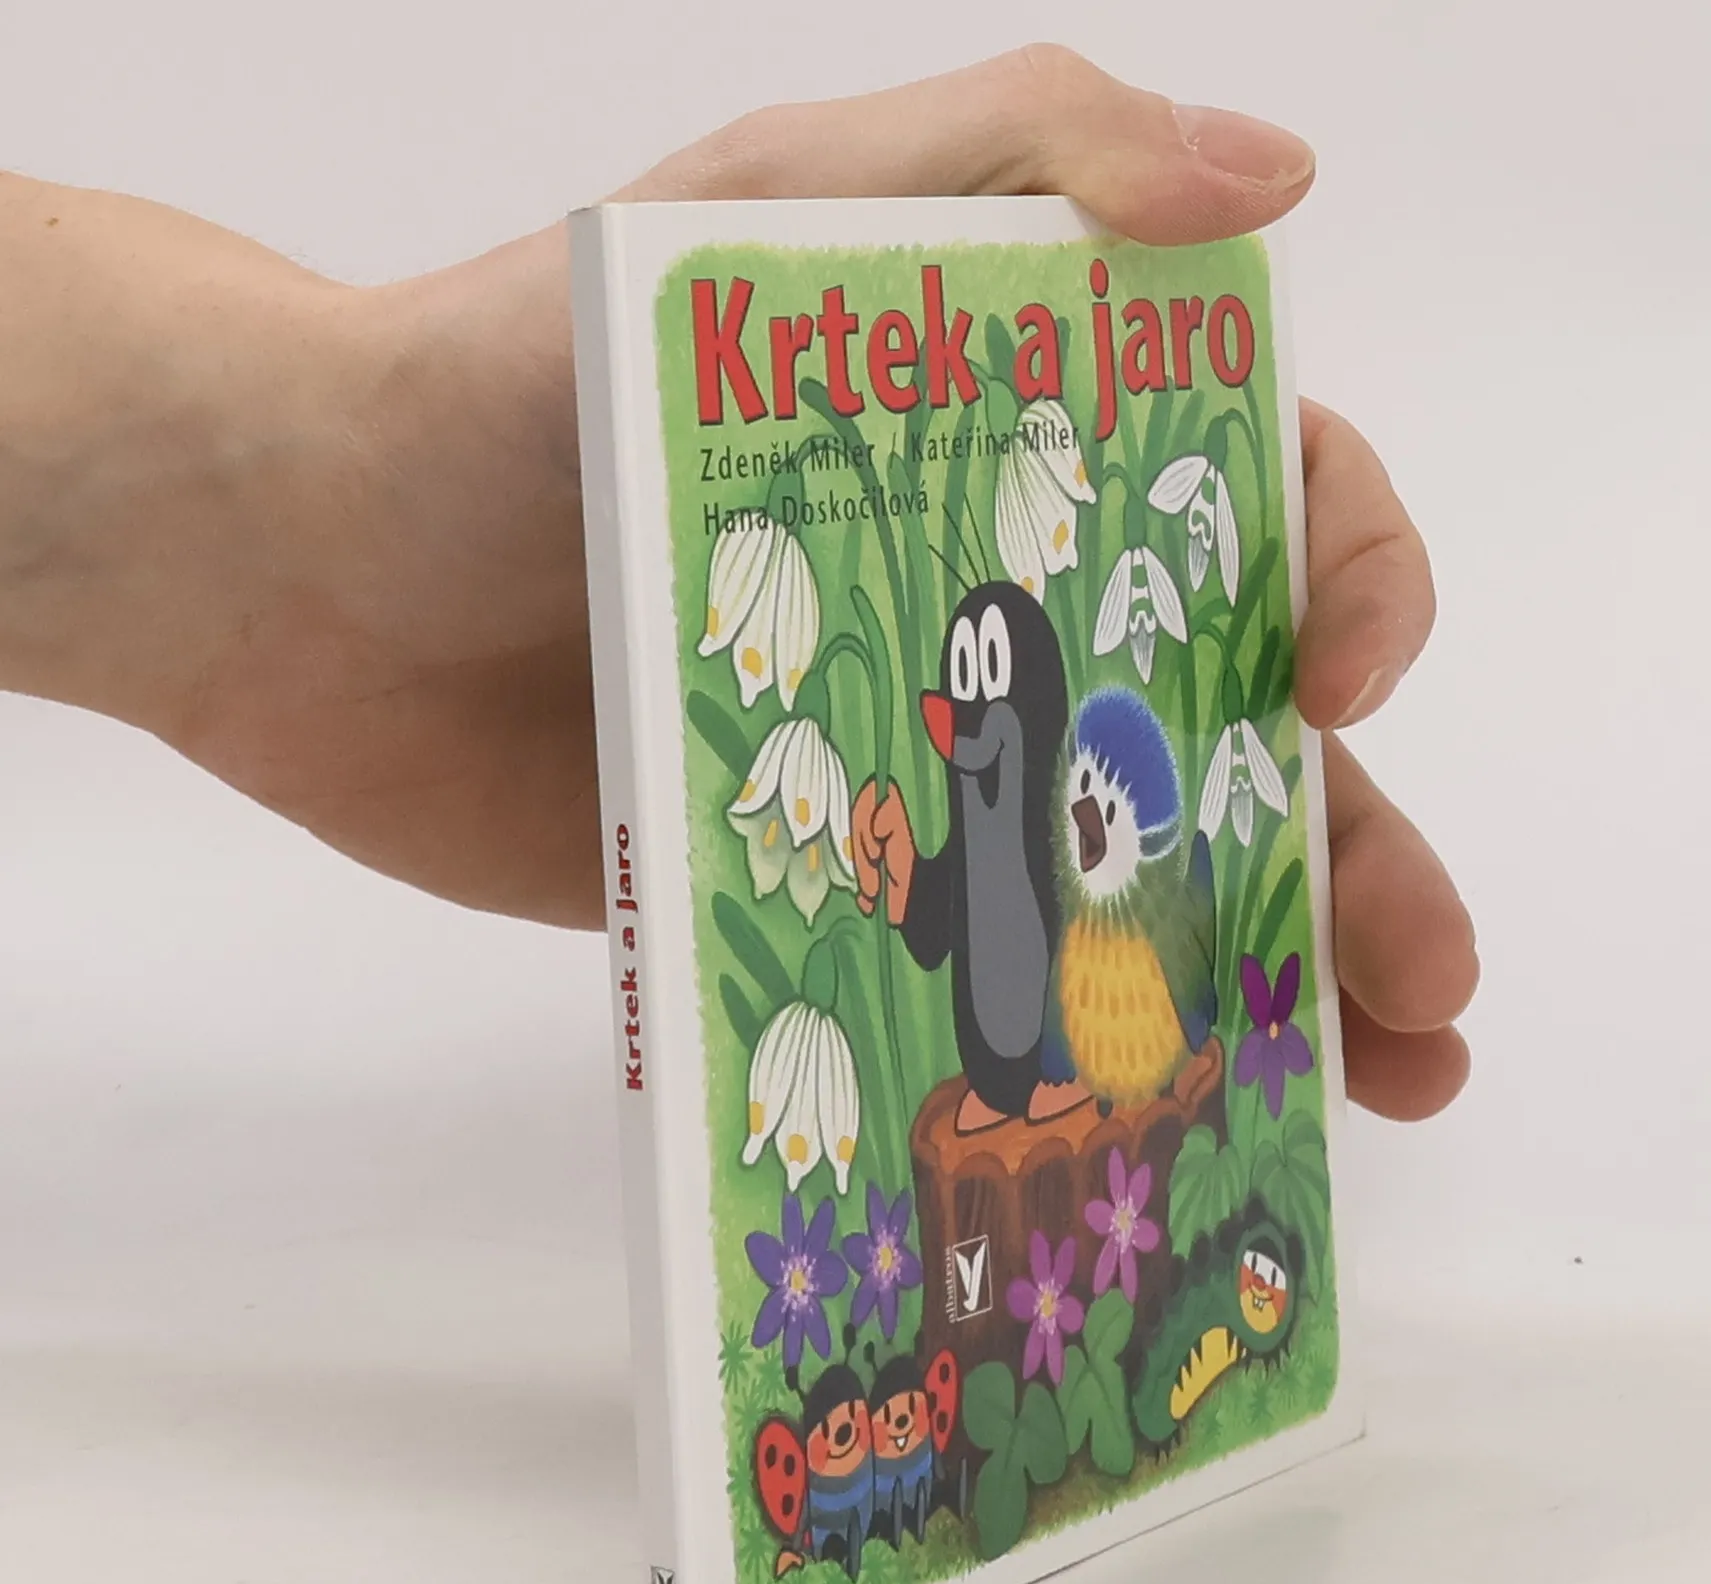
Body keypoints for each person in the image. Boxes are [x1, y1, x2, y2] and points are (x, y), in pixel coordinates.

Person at [0, 47, 1475, 1120]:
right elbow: (942, 923)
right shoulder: (978, 806)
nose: (958, 719)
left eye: (979, 701)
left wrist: (294, 527)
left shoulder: (1053, 823)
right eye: (959, 699)